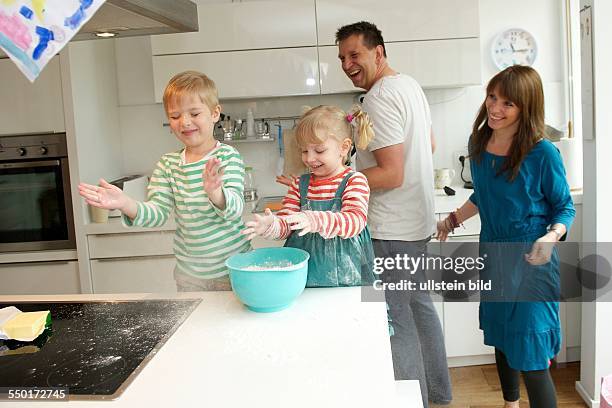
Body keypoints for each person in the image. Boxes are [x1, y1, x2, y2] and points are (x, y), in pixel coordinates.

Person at [437, 65, 575, 408]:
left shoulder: (543, 153)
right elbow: (484, 194)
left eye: (508, 103)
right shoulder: (479, 142)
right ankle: (510, 404)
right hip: (494, 253)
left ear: (525, 108)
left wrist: (551, 236)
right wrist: (452, 219)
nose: (495, 109)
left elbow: (564, 208)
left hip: (532, 260)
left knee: (530, 351)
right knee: (502, 337)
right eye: (492, 97)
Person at [335, 21, 451, 407]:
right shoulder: (409, 85)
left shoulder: (379, 98)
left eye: (355, 55)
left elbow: (391, 172)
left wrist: (342, 180)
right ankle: (437, 395)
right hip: (415, 223)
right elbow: (429, 144)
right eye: (342, 57)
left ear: (378, 52)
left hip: (391, 228)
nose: (347, 64)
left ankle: (411, 400)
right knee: (419, 309)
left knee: (396, 320)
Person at [79, 71, 250, 291]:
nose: (185, 122)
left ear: (215, 113)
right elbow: (157, 215)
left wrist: (215, 193)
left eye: (194, 113)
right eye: (175, 116)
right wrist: (125, 203)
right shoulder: (168, 165)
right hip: (190, 278)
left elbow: (236, 209)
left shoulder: (228, 157)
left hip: (234, 271)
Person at [244, 105, 374, 287]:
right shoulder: (300, 184)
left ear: (344, 148)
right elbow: (287, 225)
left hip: (349, 276)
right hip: (305, 277)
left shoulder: (355, 181)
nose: (309, 158)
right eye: (304, 151)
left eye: (319, 151)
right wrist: (270, 225)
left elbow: (354, 222)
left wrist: (313, 220)